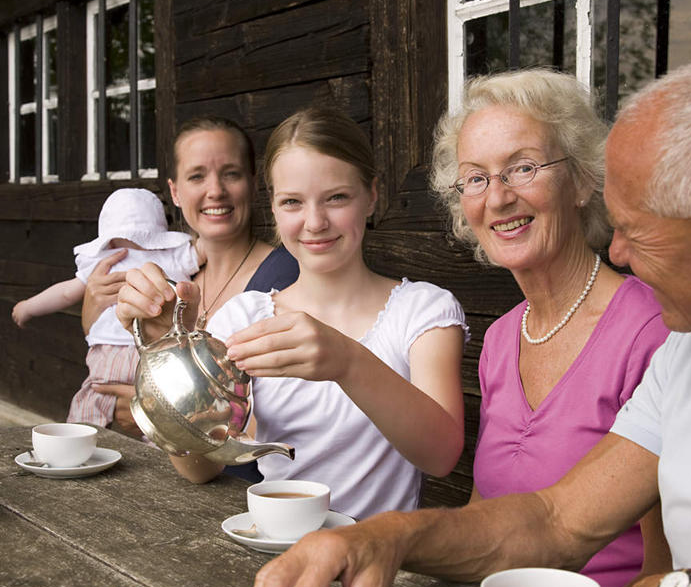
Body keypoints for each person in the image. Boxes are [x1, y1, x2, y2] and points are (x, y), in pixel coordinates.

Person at [246, 47, 691, 587]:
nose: (619, 251)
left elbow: (650, 579)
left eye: (638, 230)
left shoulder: (657, 331)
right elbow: (557, 522)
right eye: (475, 177)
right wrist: (383, 537)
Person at [116, 106, 468, 520]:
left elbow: (440, 456)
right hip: (269, 544)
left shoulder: (423, 311)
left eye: (336, 197)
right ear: (275, 207)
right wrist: (168, 356)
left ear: (371, 196)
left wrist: (347, 362)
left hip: (374, 557)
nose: (315, 222)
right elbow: (201, 469)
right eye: (292, 202)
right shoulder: (245, 315)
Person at [428, 68, 669, 587]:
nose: (498, 197)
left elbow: (662, 565)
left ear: (582, 180)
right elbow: (481, 511)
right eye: (476, 177)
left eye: (523, 168)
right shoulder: (501, 339)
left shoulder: (650, 331)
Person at [80, 117, 299, 447]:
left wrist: (152, 411)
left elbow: (280, 420)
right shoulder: (171, 275)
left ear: (254, 184)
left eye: (231, 174)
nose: (215, 191)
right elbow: (102, 339)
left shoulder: (284, 278)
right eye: (197, 176)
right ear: (175, 192)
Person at [11, 187, 204, 430]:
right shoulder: (174, 256)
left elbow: (65, 292)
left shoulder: (101, 263)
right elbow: (205, 249)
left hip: (106, 356)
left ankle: (77, 442)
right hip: (154, 353)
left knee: (92, 400)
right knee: (159, 411)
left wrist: (27, 307)